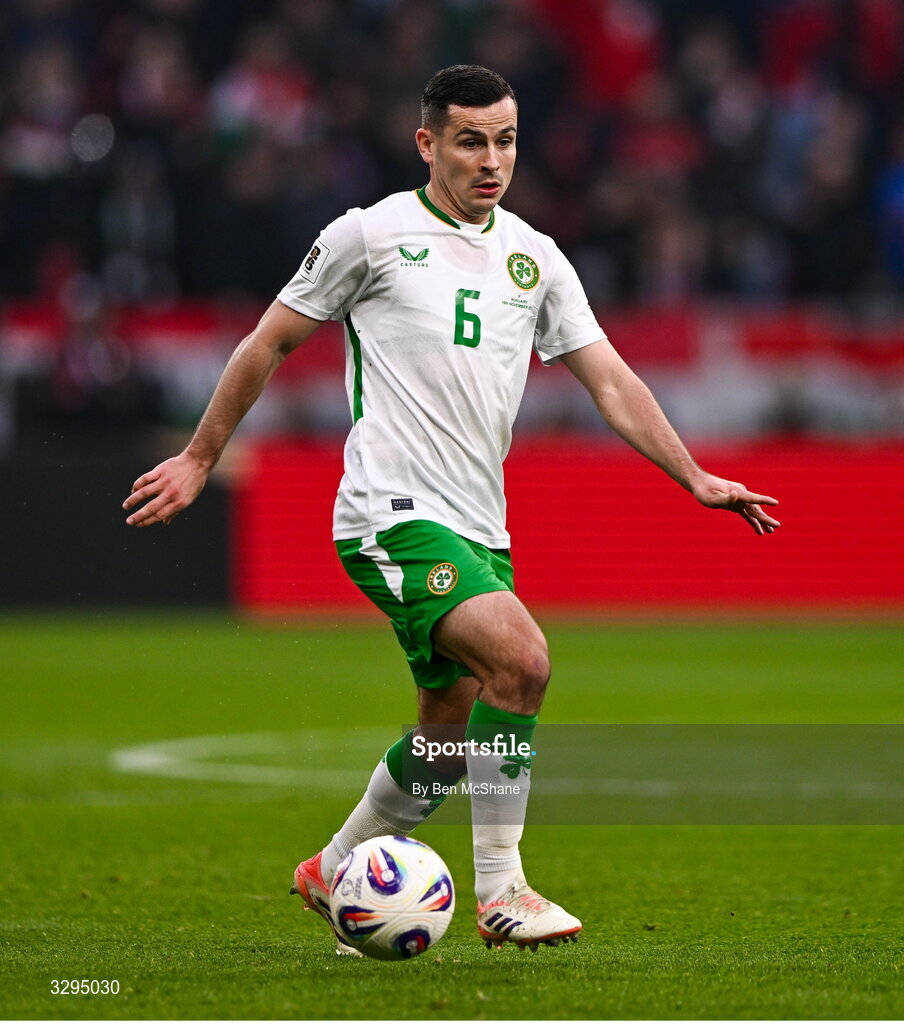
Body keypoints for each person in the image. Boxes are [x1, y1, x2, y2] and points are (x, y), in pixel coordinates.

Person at [123, 65, 780, 954]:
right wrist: (202, 457)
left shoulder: (536, 258)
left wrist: (693, 475)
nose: (491, 160)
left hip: (480, 525)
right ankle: (503, 892)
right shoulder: (370, 236)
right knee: (526, 660)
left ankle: (335, 865)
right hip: (390, 513)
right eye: (471, 140)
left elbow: (611, 380)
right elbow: (267, 341)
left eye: (505, 140)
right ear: (427, 142)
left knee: (447, 738)